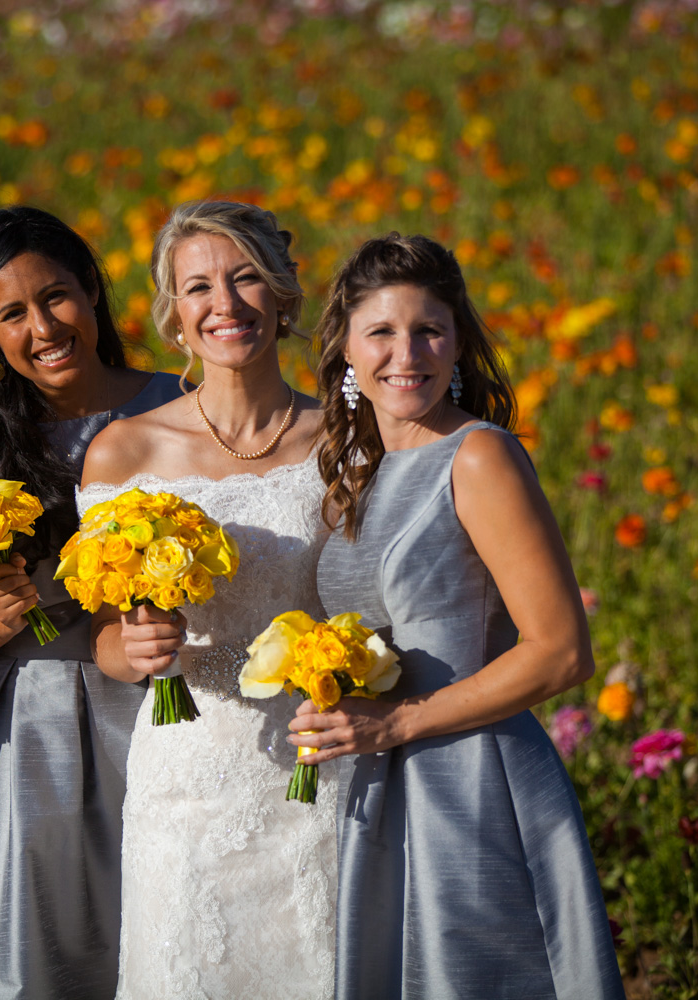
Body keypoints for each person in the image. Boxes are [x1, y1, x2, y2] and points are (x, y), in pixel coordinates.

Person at [301, 233, 625, 999]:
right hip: (381, 787)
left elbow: (561, 652)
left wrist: (398, 723)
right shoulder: (355, 473)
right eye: (380, 331)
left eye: (429, 330)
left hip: (474, 780)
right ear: (346, 349)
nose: (405, 353)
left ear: (459, 343)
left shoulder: (479, 457)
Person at [0, 206, 181, 1000]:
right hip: (17, 741)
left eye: (57, 296)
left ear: (93, 292)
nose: (43, 327)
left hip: (162, 711)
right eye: (12, 315)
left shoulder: (180, 407)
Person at [79, 200, 336, 999]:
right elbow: (103, 636)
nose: (224, 304)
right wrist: (132, 649)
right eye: (198, 288)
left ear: (284, 298)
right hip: (184, 776)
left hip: (314, 760)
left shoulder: (345, 441)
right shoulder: (127, 449)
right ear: (175, 317)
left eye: (246, 278)